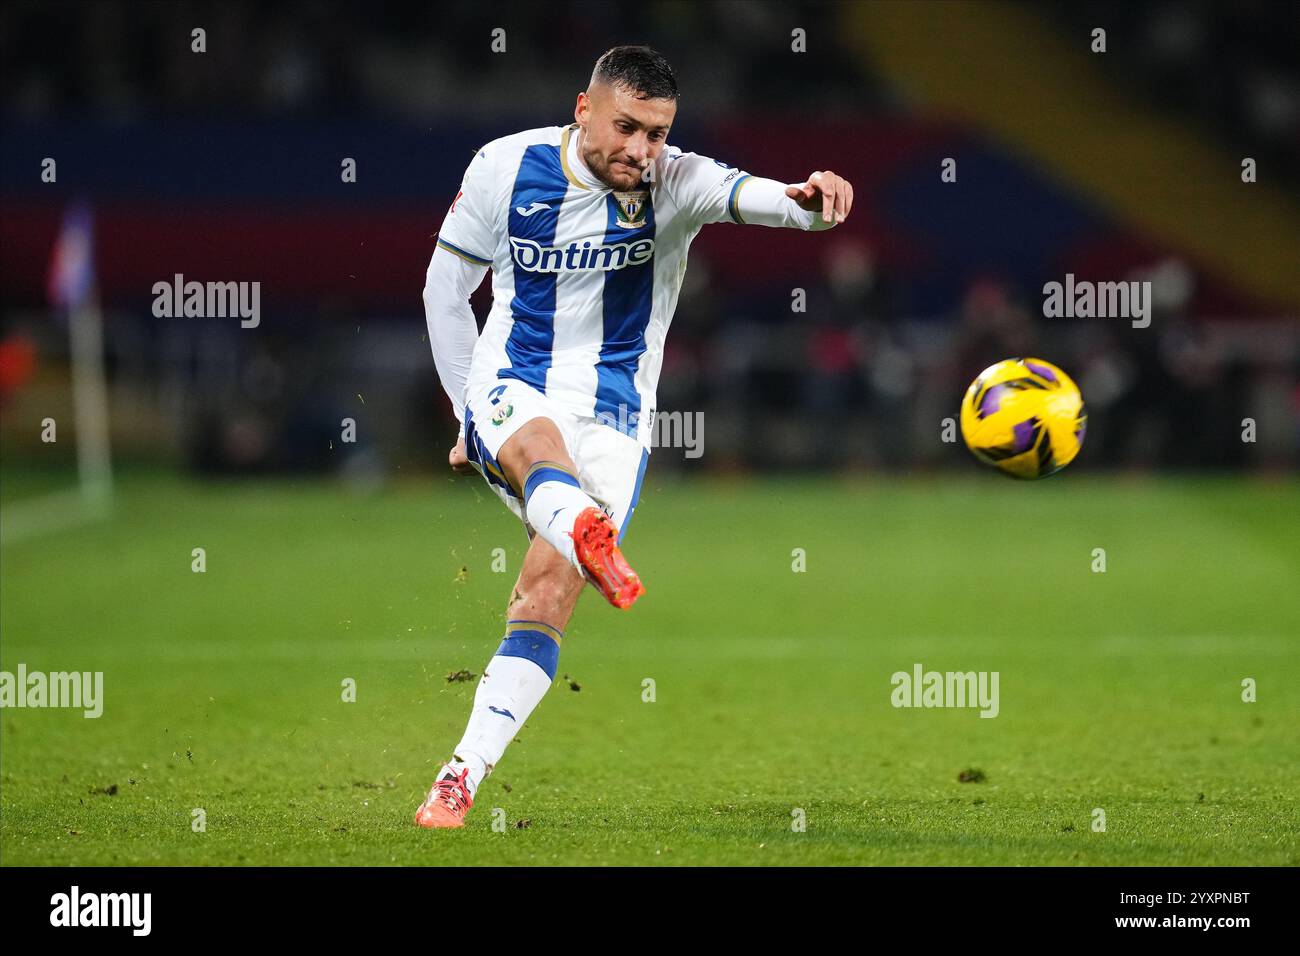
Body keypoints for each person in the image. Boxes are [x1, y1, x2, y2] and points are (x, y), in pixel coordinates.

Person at [417, 45, 853, 828]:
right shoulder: (505, 168)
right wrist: (463, 412)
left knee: (547, 593)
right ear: (583, 108)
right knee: (544, 456)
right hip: (512, 386)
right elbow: (446, 287)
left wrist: (810, 200)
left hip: (616, 418)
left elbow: (755, 196)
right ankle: (581, 521)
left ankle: (459, 777)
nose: (641, 150)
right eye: (627, 128)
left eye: (656, 133)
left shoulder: (673, 181)